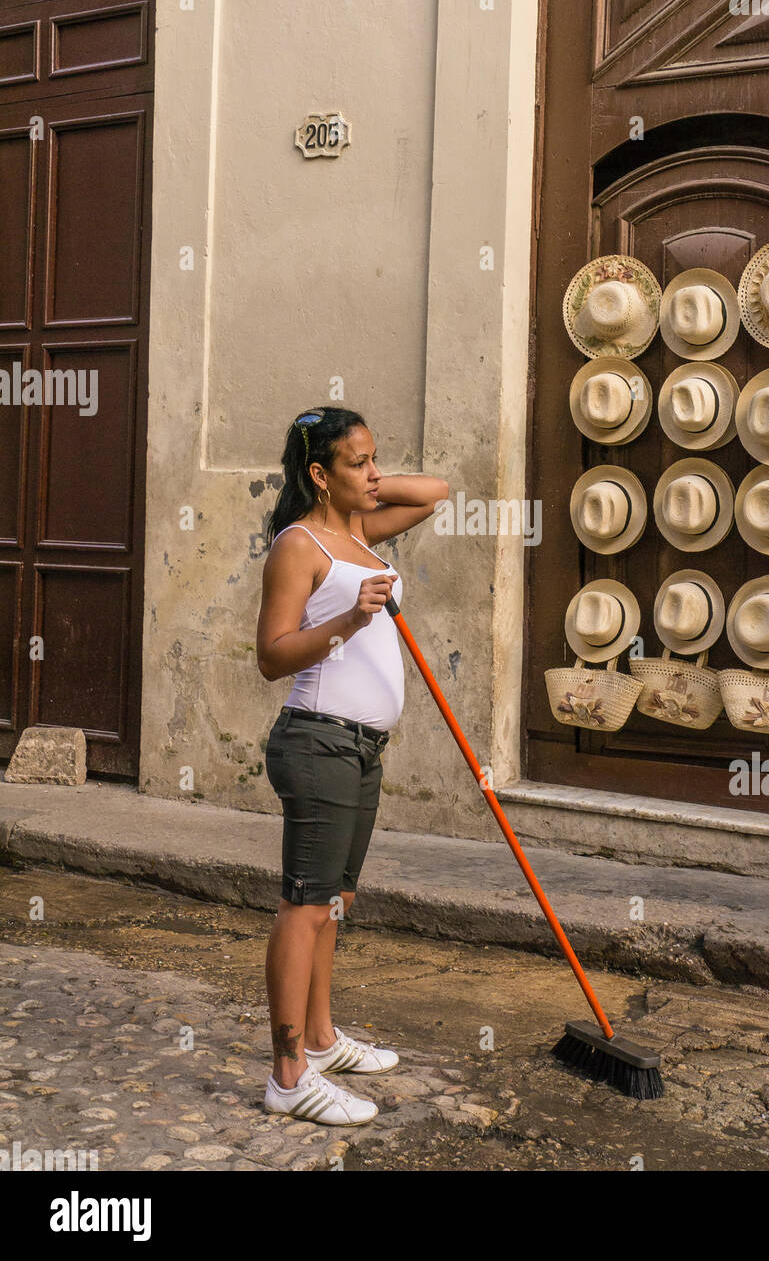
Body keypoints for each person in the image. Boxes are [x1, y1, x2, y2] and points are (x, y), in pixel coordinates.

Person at [256, 406, 447, 1125]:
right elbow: (272, 656)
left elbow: (438, 492)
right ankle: (287, 1074)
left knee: (336, 903)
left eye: (375, 458)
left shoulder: (359, 531)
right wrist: (346, 622)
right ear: (317, 475)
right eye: (357, 462)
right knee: (304, 907)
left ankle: (323, 1039)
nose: (375, 473)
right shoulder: (299, 546)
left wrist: (363, 483)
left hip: (363, 749)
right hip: (317, 742)